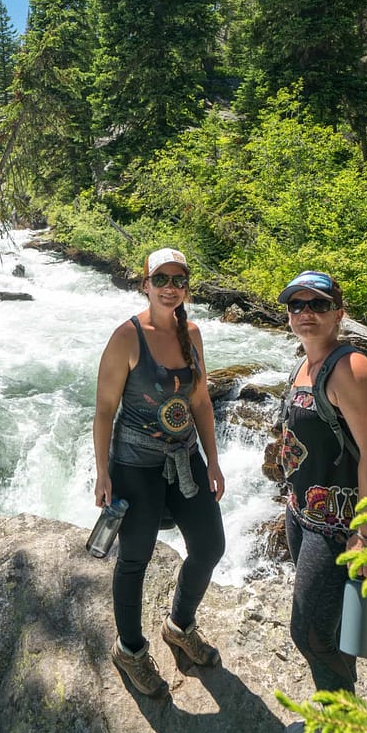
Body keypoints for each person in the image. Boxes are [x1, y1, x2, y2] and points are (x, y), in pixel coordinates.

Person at [271, 271, 367, 733]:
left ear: (339, 310)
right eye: (296, 304)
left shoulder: (353, 367)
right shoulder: (304, 364)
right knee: (326, 633)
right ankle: (329, 718)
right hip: (304, 516)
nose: (305, 312)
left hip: (341, 528)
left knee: (317, 635)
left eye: (318, 303)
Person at [93, 247, 226, 698]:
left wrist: (213, 460)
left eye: (179, 280)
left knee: (209, 546)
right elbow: (104, 411)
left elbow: (201, 401)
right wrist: (102, 474)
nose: (171, 287)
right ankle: (129, 650)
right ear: (144, 284)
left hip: (185, 457)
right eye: (162, 279)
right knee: (135, 558)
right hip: (136, 463)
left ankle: (179, 625)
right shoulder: (126, 338)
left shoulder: (192, 333)